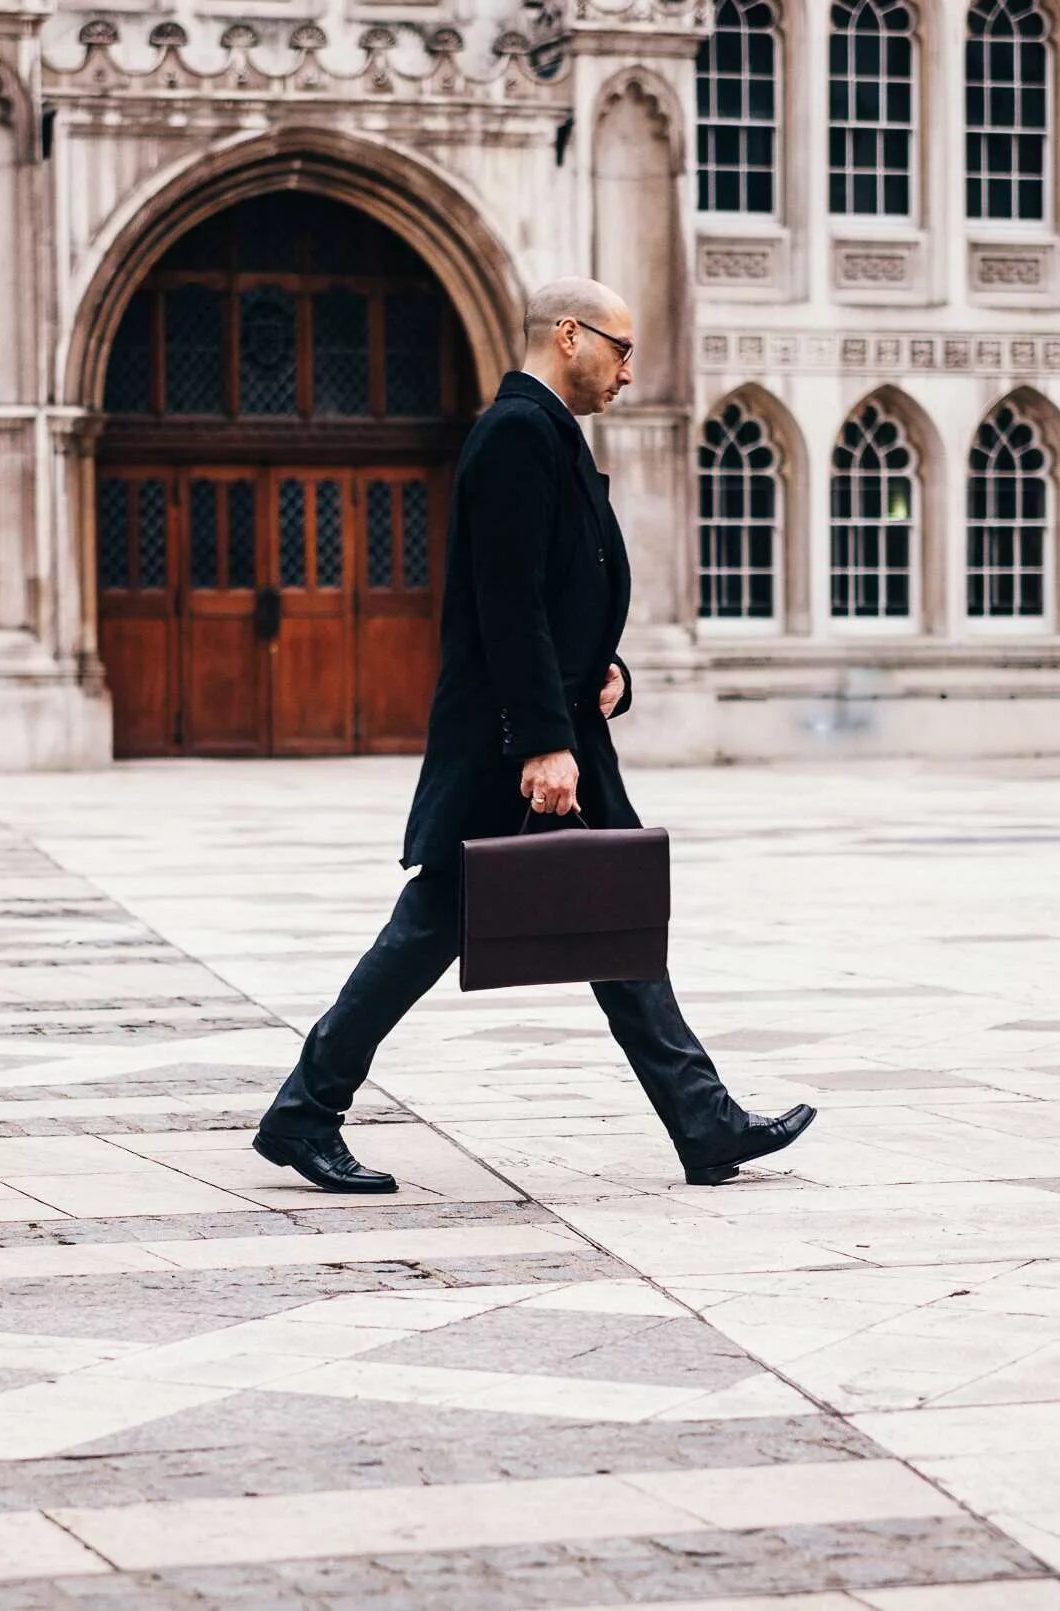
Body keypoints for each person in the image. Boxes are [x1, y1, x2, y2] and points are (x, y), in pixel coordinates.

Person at [253, 276, 815, 1193]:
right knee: (441, 925)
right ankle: (304, 1110)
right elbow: (506, 605)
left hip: (553, 728)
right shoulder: (517, 433)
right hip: (519, 744)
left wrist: (613, 671)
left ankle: (703, 1121)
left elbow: (560, 598)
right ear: (568, 335)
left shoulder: (548, 435)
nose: (630, 371)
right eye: (621, 349)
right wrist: (542, 742)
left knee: (613, 917)